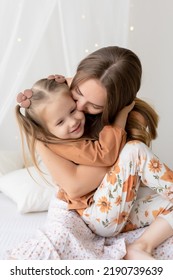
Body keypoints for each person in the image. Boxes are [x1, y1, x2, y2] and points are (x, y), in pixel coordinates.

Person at [15, 46, 173, 260]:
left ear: (113, 105)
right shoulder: (54, 138)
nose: (78, 111)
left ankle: (141, 246)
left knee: (168, 201)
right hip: (96, 215)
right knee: (134, 151)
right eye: (77, 94)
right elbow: (101, 161)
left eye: (93, 105)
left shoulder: (124, 115)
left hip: (117, 209)